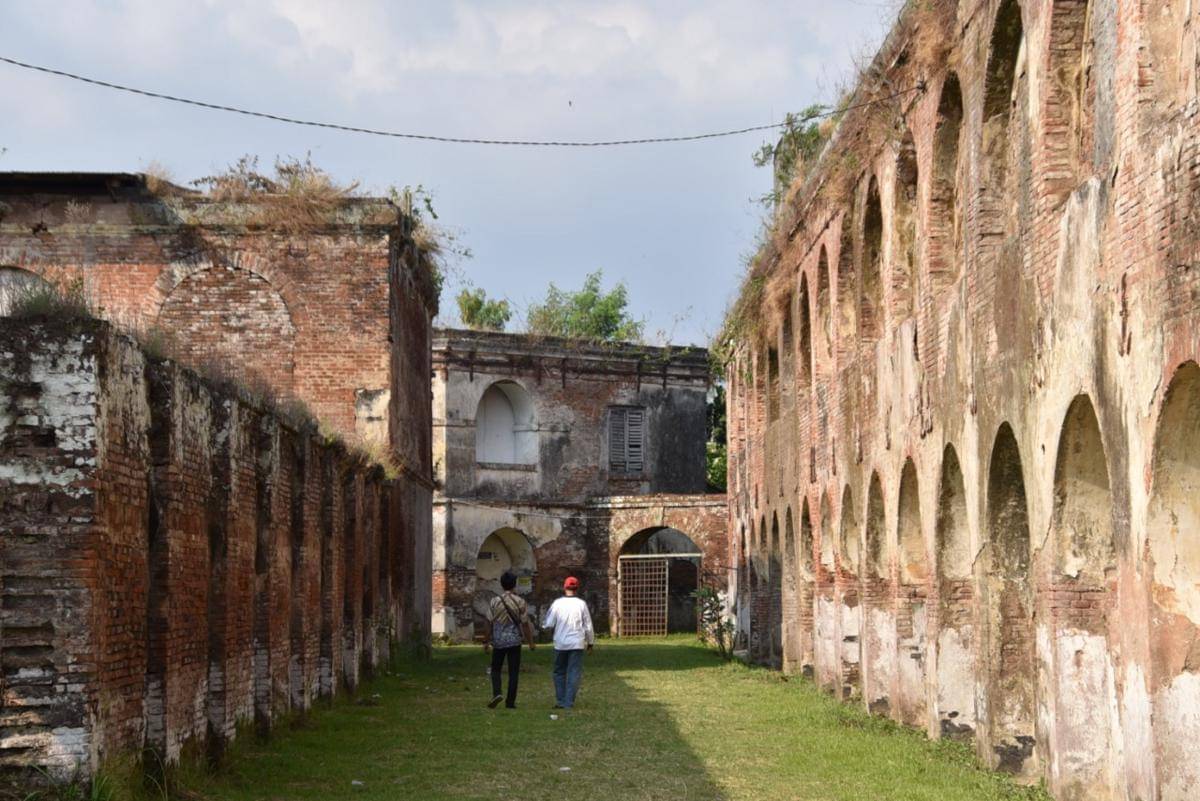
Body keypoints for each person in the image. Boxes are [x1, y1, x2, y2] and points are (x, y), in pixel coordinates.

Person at [483, 571, 535, 709]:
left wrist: (486, 641)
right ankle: (510, 702)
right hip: (514, 641)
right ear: (514, 584)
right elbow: (525, 623)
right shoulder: (520, 601)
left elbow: (488, 622)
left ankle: (497, 693)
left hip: (498, 641)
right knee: (513, 672)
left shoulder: (494, 601)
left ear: (501, 584)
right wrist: (530, 642)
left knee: (495, 669)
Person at [541, 576, 594, 709]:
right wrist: (590, 642)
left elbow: (549, 623)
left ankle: (560, 700)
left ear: (564, 587)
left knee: (559, 672)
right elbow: (588, 625)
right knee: (573, 672)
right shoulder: (581, 604)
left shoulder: (557, 603)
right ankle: (568, 702)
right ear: (577, 588)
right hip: (576, 642)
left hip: (560, 643)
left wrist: (544, 628)